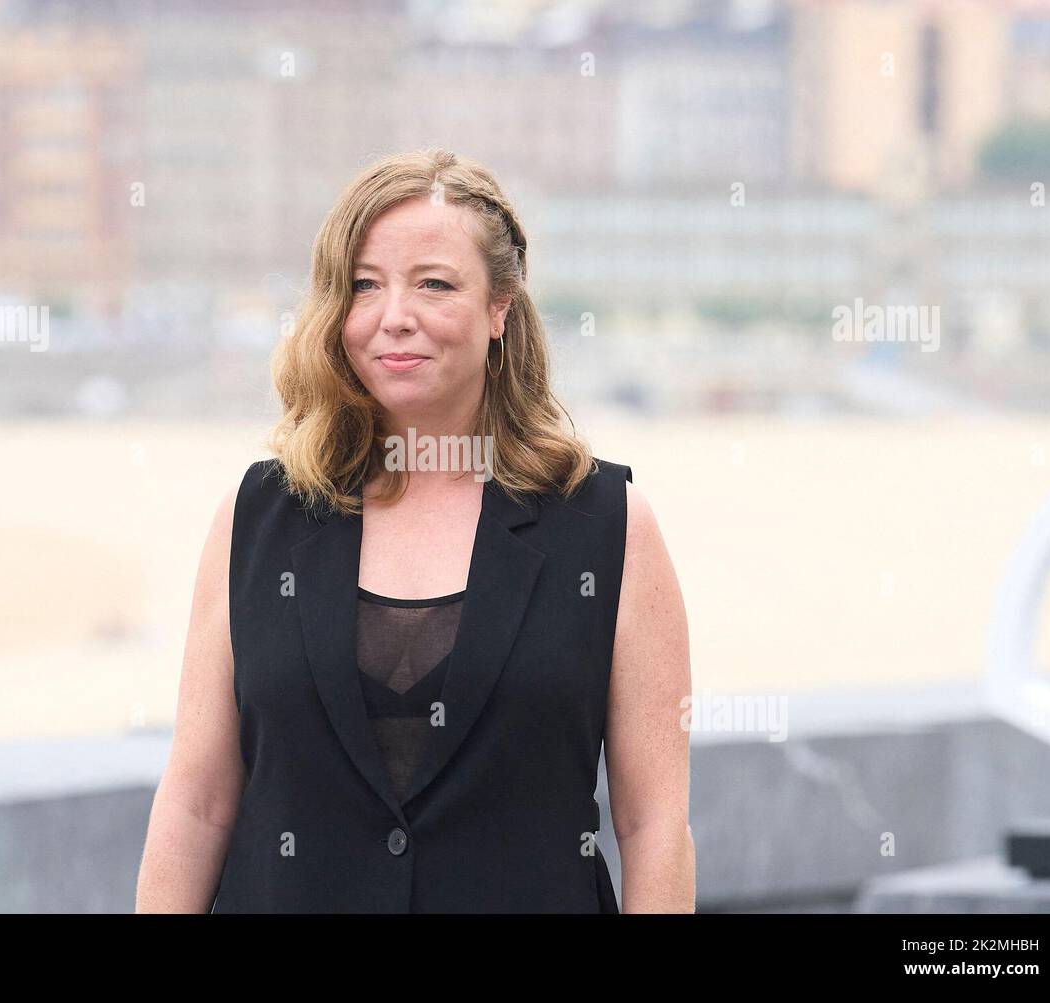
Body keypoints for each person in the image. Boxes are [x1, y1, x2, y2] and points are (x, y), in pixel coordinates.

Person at [136, 149, 693, 913]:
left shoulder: (608, 525)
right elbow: (195, 802)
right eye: (365, 285)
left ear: (500, 306)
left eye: (434, 282)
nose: (395, 314)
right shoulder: (256, 517)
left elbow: (654, 822)